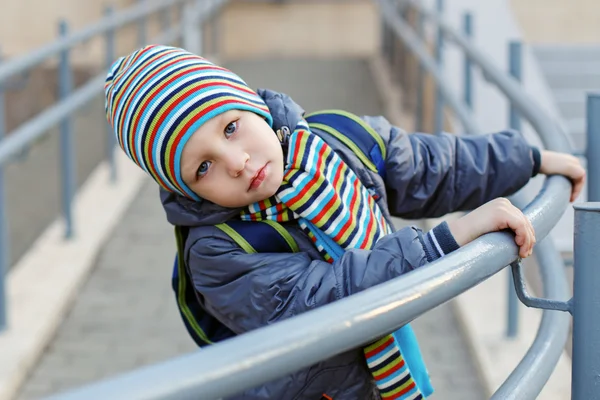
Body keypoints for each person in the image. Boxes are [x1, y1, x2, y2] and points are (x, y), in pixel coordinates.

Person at [104, 44, 585, 400]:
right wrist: (445, 241)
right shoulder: (216, 252)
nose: (235, 161)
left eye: (230, 127)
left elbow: (435, 165)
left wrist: (530, 159)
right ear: (186, 189)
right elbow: (328, 297)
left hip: (379, 378)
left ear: (249, 102)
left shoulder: (338, 139)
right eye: (202, 167)